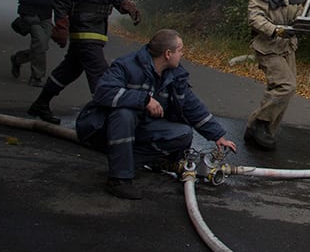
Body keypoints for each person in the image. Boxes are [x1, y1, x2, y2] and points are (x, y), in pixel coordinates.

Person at [76, 29, 237, 200]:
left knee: (182, 134)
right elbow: (103, 92)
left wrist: (218, 136)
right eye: (180, 50)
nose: (182, 54)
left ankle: (132, 160)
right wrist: (144, 100)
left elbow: (192, 106)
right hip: (106, 130)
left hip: (141, 129)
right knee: (124, 114)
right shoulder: (127, 65)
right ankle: (119, 179)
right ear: (168, 53)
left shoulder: (175, 75)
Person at [243, 0, 305, 151]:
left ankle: (264, 131)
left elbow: (298, 16)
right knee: (285, 86)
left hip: (287, 48)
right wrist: (276, 30)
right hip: (268, 47)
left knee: (282, 90)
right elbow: (255, 18)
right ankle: (258, 123)